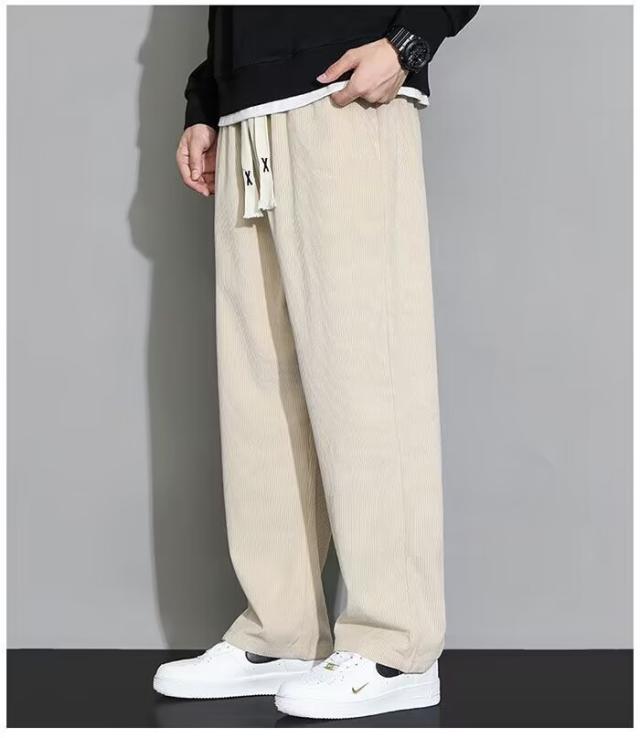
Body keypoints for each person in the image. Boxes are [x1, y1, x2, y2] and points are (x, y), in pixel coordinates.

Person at [154, 5, 478, 721]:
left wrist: (410, 40)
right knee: (258, 390)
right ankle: (282, 634)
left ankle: (398, 647)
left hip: (343, 90)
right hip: (246, 109)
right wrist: (208, 97)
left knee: (368, 372)